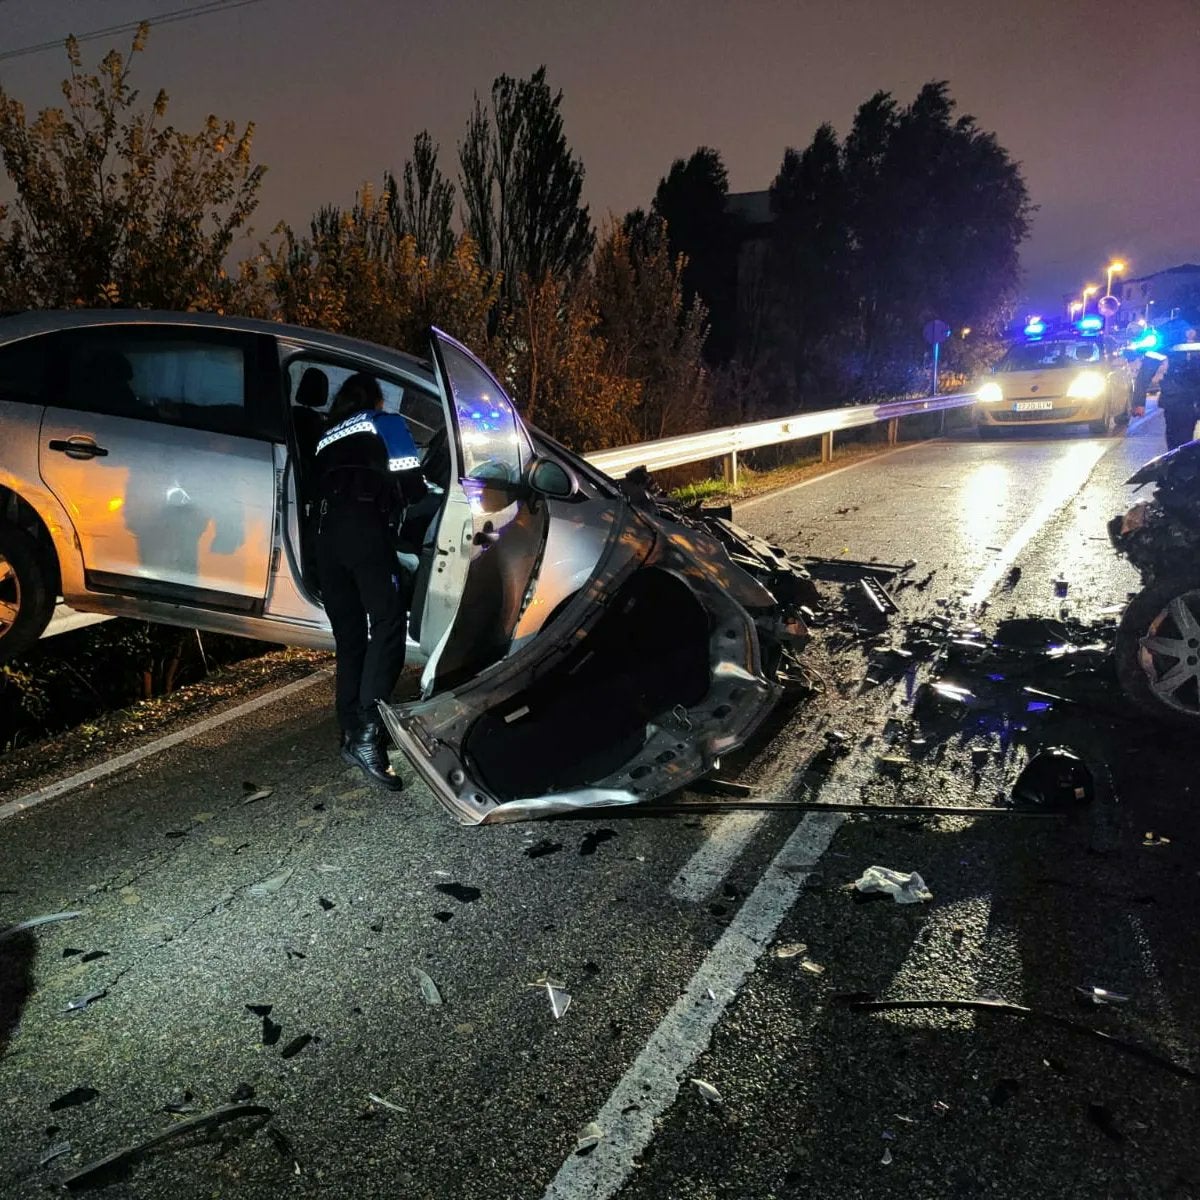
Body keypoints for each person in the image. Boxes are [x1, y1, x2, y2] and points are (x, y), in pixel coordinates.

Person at [313, 373, 428, 789]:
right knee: (388, 620)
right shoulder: (386, 423)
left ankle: (350, 732)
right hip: (363, 531)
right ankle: (368, 735)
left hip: (325, 542)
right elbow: (413, 485)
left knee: (350, 638)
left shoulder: (326, 436)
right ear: (376, 400)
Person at [1156, 328, 1200, 451]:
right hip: (1178, 401)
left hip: (1186, 398)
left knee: (1179, 442)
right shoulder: (1170, 338)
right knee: (1178, 443)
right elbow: (1150, 363)